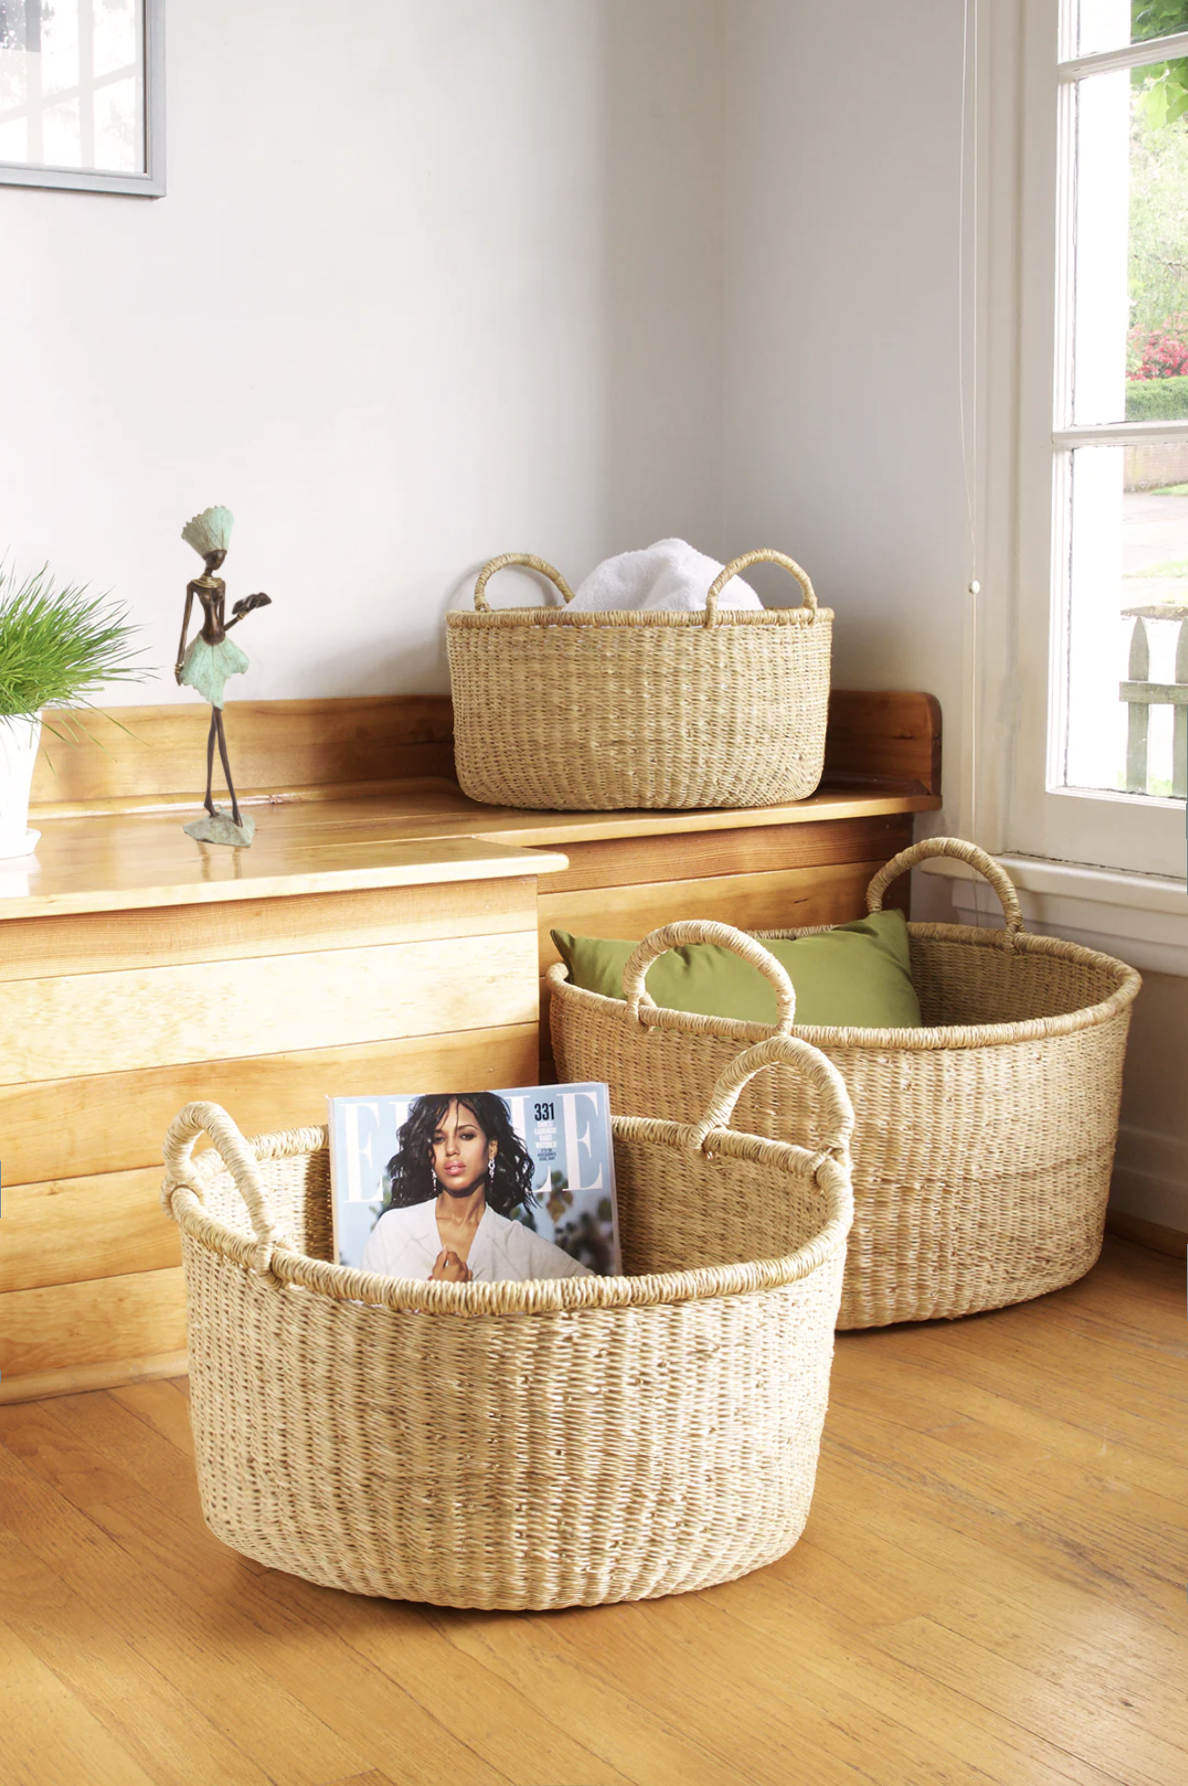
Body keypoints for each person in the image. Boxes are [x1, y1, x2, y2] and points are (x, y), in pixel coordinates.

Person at [359, 1092, 592, 1283]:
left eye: (466, 1135)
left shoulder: (521, 1247)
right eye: (439, 1139)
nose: (451, 1149)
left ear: (491, 1148)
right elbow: (363, 1330)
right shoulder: (393, 1231)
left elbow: (599, 1298)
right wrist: (437, 1300)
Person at [175, 505, 272, 831]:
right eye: (216, 556)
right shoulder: (194, 586)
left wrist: (243, 614)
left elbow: (222, 626)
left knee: (216, 723)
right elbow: (186, 625)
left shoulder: (220, 585)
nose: (220, 561)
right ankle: (230, 803)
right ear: (205, 556)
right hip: (203, 649)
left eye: (223, 556)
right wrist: (178, 662)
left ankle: (211, 798)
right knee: (219, 724)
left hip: (221, 646)